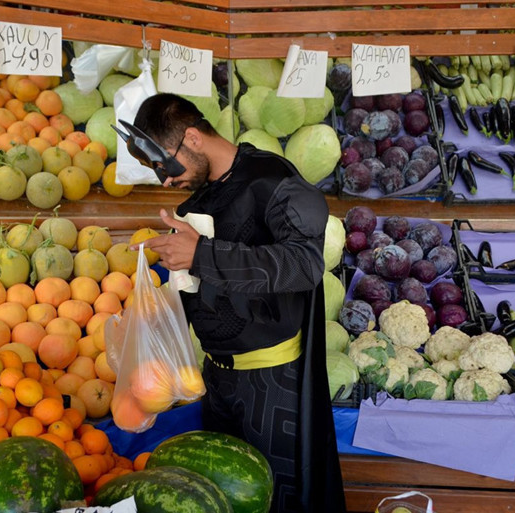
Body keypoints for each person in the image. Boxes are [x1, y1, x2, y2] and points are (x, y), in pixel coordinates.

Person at [121, 93, 346, 513]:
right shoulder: (203, 197)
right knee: (224, 499)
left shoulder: (274, 181)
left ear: (192, 137)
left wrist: (202, 255)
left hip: (273, 384)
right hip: (215, 381)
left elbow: (304, 263)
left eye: (167, 166)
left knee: (278, 500)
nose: (167, 181)